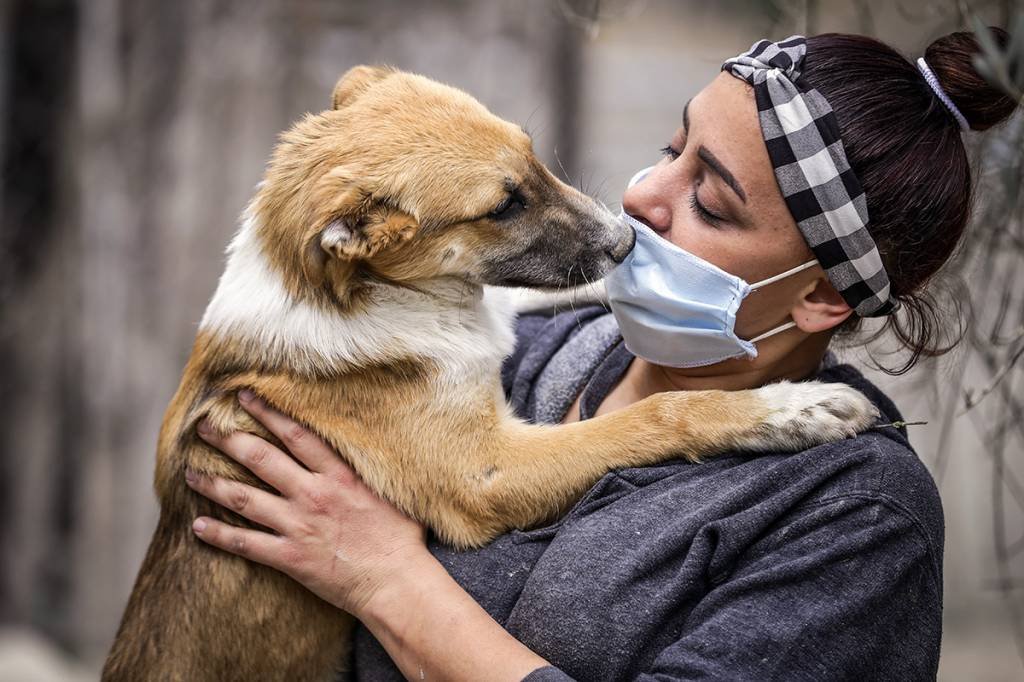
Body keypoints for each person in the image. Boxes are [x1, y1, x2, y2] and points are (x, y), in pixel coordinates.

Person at [183, 29, 1017, 681]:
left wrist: (387, 582)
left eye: (711, 203)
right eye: (670, 148)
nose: (638, 198)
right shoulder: (540, 352)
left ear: (821, 297)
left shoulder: (855, 519)